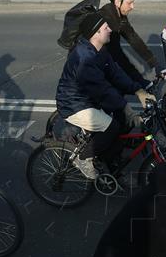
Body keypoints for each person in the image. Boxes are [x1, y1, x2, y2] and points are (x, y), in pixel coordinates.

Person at [55, 11, 155, 180]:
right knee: (112, 127)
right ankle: (84, 158)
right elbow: (102, 90)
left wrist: (138, 90)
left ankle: (108, 158)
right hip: (74, 103)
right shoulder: (84, 58)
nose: (110, 29)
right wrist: (125, 106)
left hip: (87, 98)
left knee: (122, 120)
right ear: (96, 33)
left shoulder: (100, 50)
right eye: (105, 27)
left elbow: (116, 74)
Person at [97, 0, 160, 86]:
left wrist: (154, 63)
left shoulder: (119, 18)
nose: (132, 7)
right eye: (129, 3)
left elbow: (133, 38)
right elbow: (118, 56)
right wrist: (140, 81)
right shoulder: (107, 22)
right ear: (118, 2)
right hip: (88, 73)